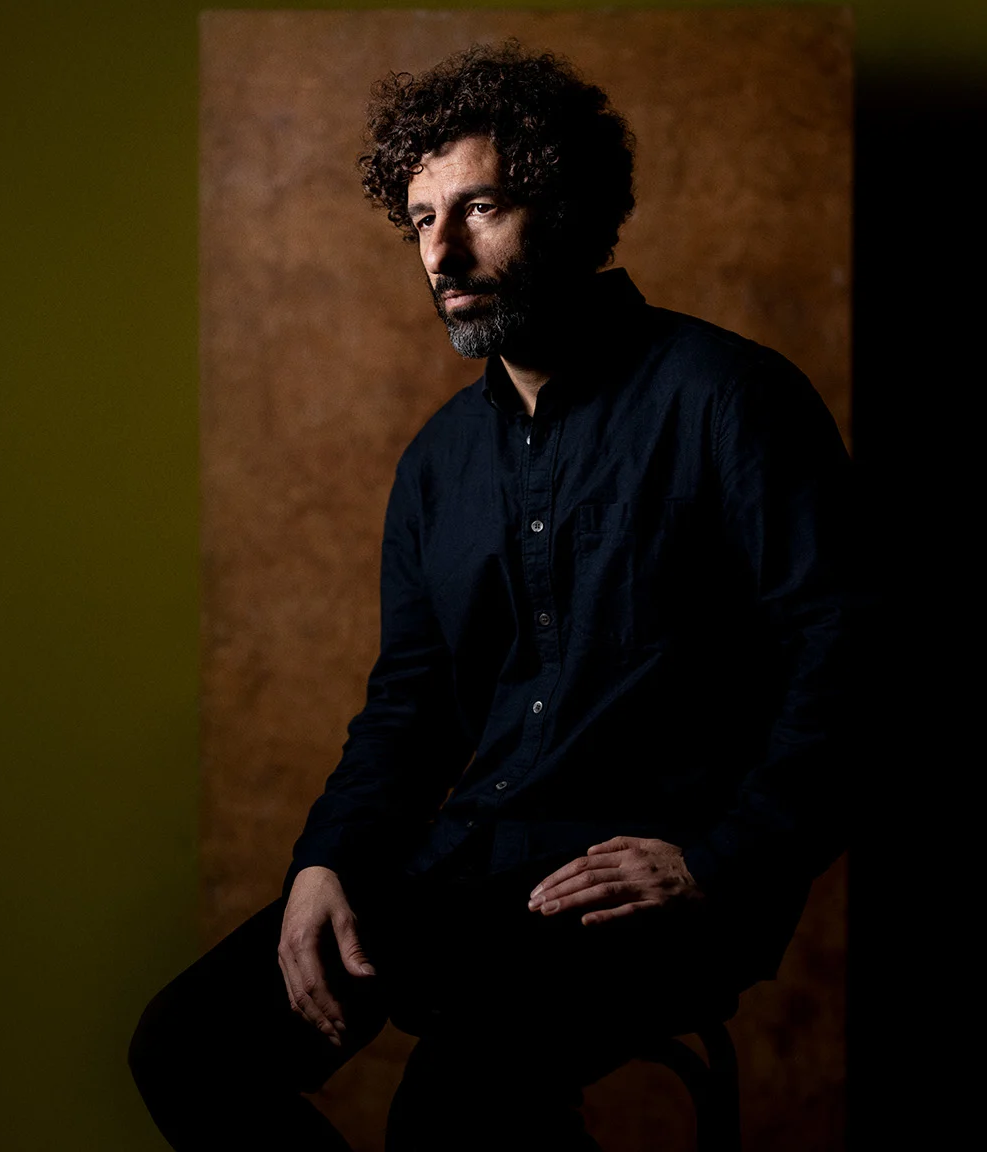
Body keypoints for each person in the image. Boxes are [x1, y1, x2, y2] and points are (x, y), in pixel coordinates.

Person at [130, 42, 862, 1151]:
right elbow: (409, 706)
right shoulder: (437, 464)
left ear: (565, 210)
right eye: (421, 219)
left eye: (479, 207)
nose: (442, 250)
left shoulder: (731, 400)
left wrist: (720, 861)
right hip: (472, 865)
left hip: (657, 887)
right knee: (186, 1046)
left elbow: (844, 659)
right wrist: (325, 861)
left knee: (456, 1105)